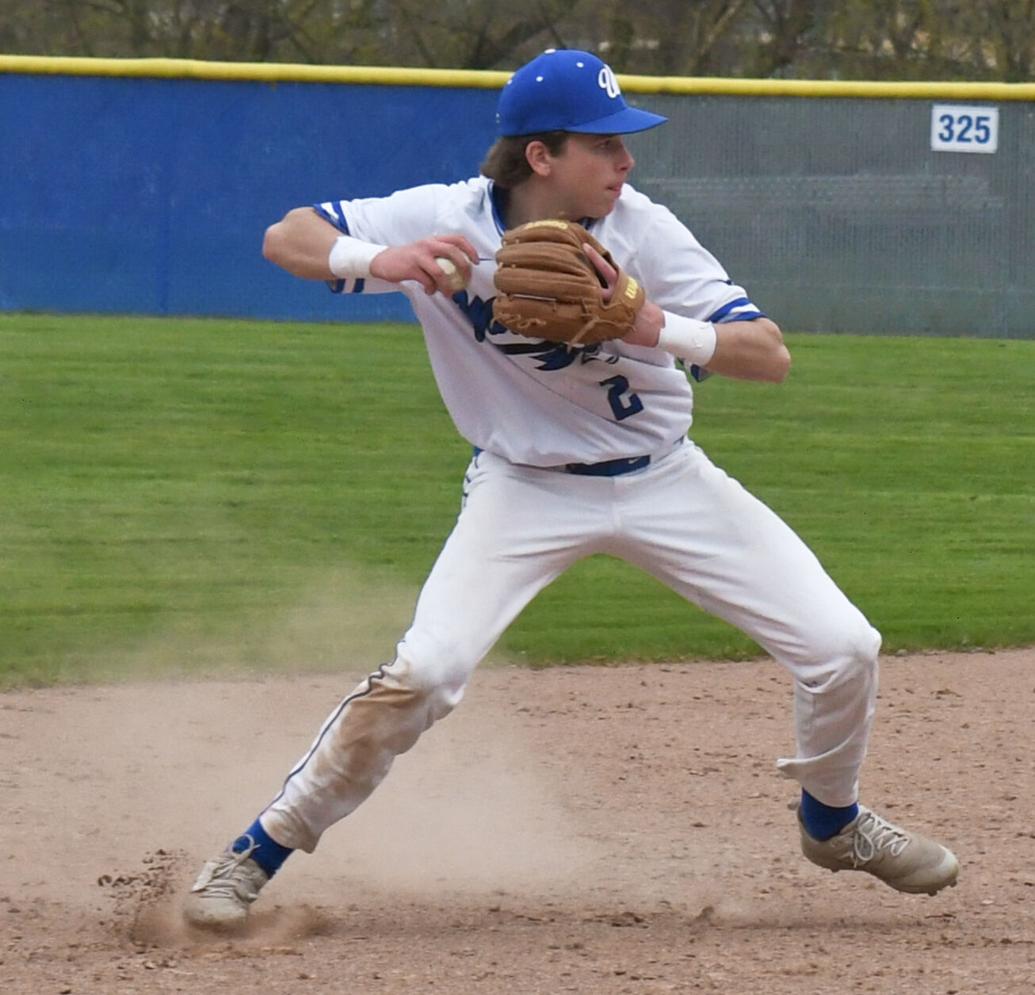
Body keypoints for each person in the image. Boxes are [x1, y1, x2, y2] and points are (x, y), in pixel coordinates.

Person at [183, 48, 959, 930]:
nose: (626, 162)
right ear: (540, 156)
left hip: (666, 479)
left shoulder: (645, 231)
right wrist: (385, 257)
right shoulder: (445, 218)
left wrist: (653, 324)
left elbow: (768, 354)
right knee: (426, 671)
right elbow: (287, 237)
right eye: (605, 145)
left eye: (625, 144)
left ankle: (832, 821)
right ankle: (257, 849)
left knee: (844, 645)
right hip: (523, 489)